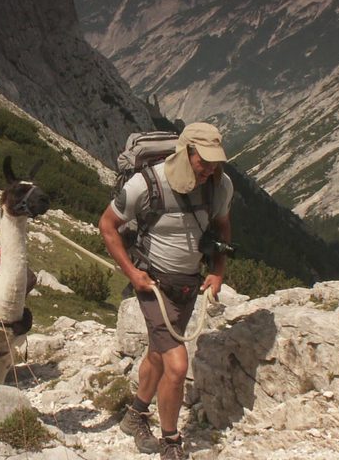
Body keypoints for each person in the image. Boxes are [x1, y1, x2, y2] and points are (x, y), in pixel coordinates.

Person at [99, 122, 233, 460]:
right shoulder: (146, 183)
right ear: (186, 153)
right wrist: (132, 272)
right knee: (176, 363)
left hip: (188, 283)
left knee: (158, 354)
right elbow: (107, 225)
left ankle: (135, 415)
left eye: (215, 162)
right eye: (204, 162)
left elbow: (222, 227)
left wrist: (217, 271)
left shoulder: (219, 185)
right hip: (152, 282)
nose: (210, 170)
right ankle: (171, 442)